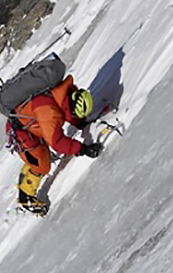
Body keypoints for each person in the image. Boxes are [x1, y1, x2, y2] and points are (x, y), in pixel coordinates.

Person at [8, 74, 102, 214]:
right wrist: (83, 149)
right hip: (22, 132)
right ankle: (25, 197)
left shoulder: (65, 93)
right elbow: (57, 143)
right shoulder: (49, 111)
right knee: (43, 164)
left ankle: (29, 169)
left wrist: (80, 123)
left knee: (41, 153)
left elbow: (67, 111)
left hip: (31, 123)